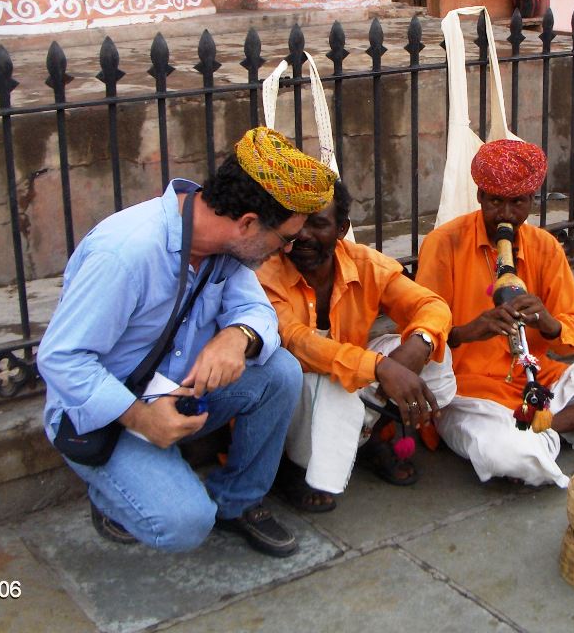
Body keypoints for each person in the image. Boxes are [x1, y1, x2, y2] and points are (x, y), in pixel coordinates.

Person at [37, 127, 337, 556]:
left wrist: (238, 337)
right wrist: (141, 419)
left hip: (173, 392)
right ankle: (113, 496)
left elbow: (259, 315)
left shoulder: (229, 247)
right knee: (184, 525)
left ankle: (236, 503)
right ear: (249, 222)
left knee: (279, 372)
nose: (287, 250)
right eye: (285, 238)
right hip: (108, 413)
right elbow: (61, 359)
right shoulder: (125, 252)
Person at [415, 139, 574, 488]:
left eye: (517, 203)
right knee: (512, 456)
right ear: (479, 196)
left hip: (538, 381)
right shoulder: (443, 244)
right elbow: (420, 334)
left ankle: (548, 425)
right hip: (469, 393)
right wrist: (469, 331)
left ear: (531, 202)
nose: (506, 215)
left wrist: (549, 323)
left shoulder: (545, 247)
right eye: (496, 202)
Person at [257, 180, 454, 511]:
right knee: (320, 384)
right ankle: (293, 465)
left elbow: (432, 306)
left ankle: (364, 440)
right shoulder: (266, 271)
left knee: (436, 355)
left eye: (317, 223)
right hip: (296, 387)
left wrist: (419, 343)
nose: (303, 234)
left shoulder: (365, 264)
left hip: (348, 376)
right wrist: (379, 366)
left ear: (341, 228)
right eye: (295, 223)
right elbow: (295, 341)